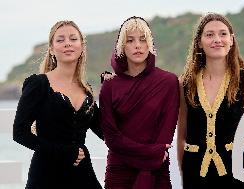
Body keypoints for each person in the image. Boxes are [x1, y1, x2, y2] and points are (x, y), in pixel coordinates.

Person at [177, 13, 244, 189]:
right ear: (199, 42)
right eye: (209, 35)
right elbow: (182, 137)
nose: (217, 39)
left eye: (223, 34)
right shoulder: (185, 83)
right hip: (195, 176)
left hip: (237, 176)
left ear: (231, 40)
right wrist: (184, 174)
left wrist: (234, 157)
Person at [13, 20, 103, 189]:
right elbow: (19, 133)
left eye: (73, 39)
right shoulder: (38, 84)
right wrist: (63, 152)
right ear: (52, 49)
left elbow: (106, 132)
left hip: (81, 174)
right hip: (46, 175)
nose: (67, 43)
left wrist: (116, 86)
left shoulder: (87, 90)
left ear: (82, 47)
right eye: (60, 40)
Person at [99, 16, 180, 189]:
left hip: (156, 170)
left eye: (143, 40)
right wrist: (151, 152)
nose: (138, 45)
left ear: (150, 44)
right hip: (119, 172)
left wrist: (153, 157)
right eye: (130, 40)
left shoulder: (168, 82)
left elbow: (165, 135)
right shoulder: (110, 85)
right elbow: (111, 138)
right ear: (122, 46)